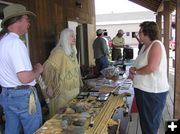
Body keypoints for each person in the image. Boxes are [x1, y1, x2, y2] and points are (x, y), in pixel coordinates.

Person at [0, 4, 43, 134]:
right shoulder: (16, 43)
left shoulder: (2, 41)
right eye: (26, 19)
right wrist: (38, 70)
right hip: (23, 96)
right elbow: (24, 78)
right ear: (17, 21)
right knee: (35, 130)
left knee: (11, 130)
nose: (28, 23)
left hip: (6, 94)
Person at [129, 21, 169, 134]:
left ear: (147, 32)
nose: (138, 34)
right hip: (143, 91)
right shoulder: (145, 46)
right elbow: (139, 64)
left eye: (140, 32)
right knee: (146, 124)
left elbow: (152, 67)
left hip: (152, 93)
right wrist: (133, 70)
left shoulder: (156, 45)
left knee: (150, 126)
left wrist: (135, 71)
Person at [42, 28, 83, 117]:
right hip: (62, 92)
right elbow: (47, 68)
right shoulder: (58, 52)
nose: (74, 38)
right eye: (72, 36)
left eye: (75, 36)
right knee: (61, 116)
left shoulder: (72, 52)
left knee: (72, 114)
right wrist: (49, 87)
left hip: (73, 91)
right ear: (65, 38)